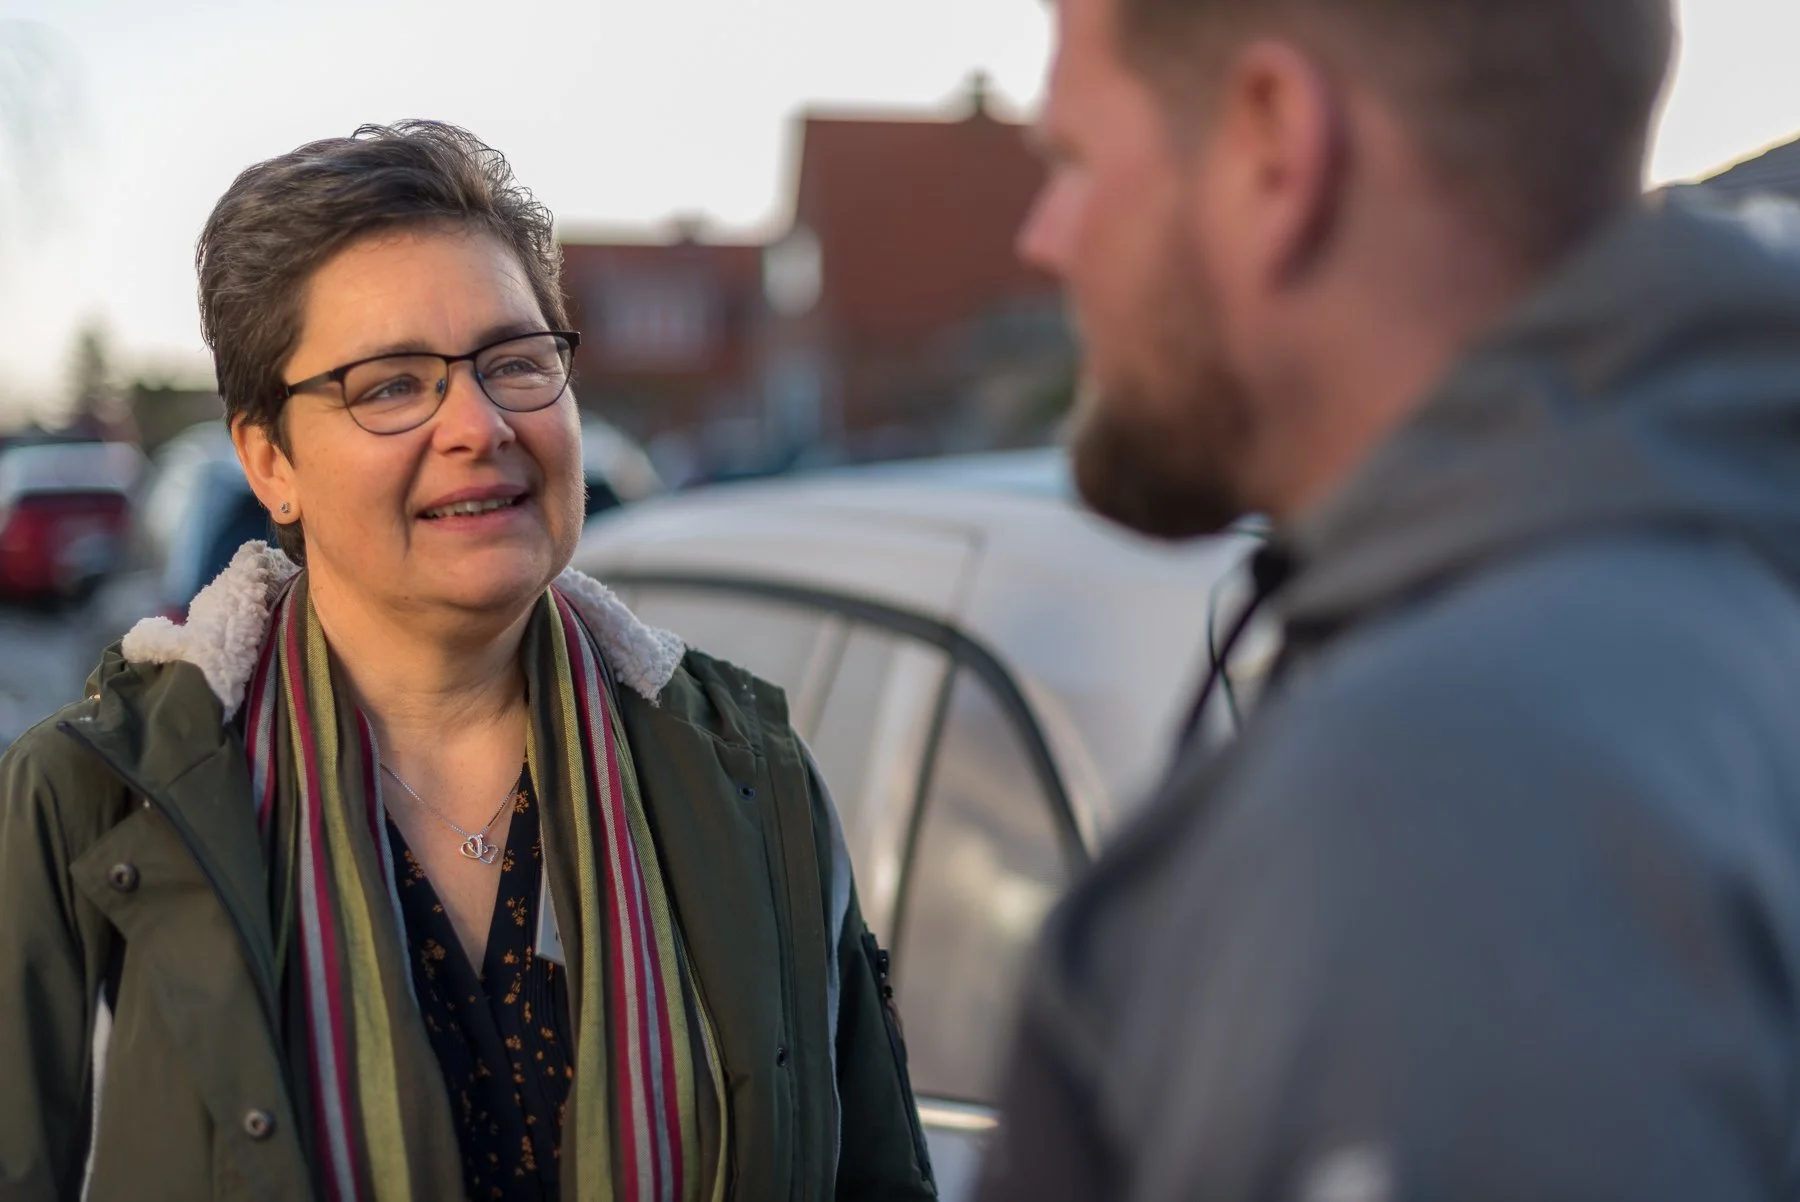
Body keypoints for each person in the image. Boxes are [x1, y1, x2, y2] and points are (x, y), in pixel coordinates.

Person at [0, 121, 935, 1202]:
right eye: (393, 384)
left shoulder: (746, 773)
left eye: (517, 363)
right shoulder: (95, 808)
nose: (479, 423)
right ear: (269, 460)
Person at [979, 0, 1800, 1198]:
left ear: (1273, 142)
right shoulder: (1726, 613)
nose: (1044, 238)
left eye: (1072, 159)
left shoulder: (1450, 793)